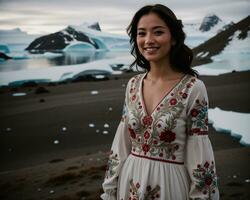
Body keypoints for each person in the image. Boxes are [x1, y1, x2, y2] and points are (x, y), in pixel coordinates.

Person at [101, 4, 219, 200]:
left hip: (170, 187)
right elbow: (121, 144)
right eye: (141, 33)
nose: (148, 40)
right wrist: (109, 190)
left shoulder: (193, 88)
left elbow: (200, 152)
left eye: (158, 32)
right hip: (129, 184)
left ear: (173, 38)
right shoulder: (132, 85)